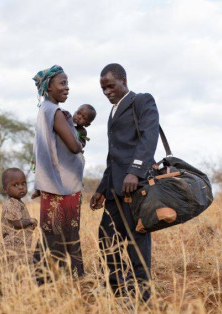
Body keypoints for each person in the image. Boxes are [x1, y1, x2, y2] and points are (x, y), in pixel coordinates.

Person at [90, 63, 159, 300]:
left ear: (124, 81)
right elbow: (113, 156)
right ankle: (119, 290)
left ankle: (144, 296)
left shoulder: (142, 101)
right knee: (106, 238)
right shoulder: (113, 111)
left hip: (135, 187)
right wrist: (101, 189)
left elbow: (150, 137)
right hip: (114, 190)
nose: (107, 91)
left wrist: (136, 171)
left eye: (111, 86)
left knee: (137, 241)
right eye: (103, 88)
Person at [32, 65, 85, 280]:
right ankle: (69, 278)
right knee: (66, 233)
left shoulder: (45, 110)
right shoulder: (54, 112)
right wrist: (79, 141)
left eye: (67, 83)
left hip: (52, 184)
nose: (67, 88)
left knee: (51, 232)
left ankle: (43, 276)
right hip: (63, 186)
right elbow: (73, 146)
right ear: (49, 86)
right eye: (62, 83)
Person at [1, 168, 38, 265]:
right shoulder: (12, 203)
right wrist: (30, 221)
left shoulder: (18, 202)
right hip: (14, 245)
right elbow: (17, 223)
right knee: (13, 265)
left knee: (19, 265)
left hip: (21, 244)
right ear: (5, 189)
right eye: (15, 185)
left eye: (23, 184)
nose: (21, 187)